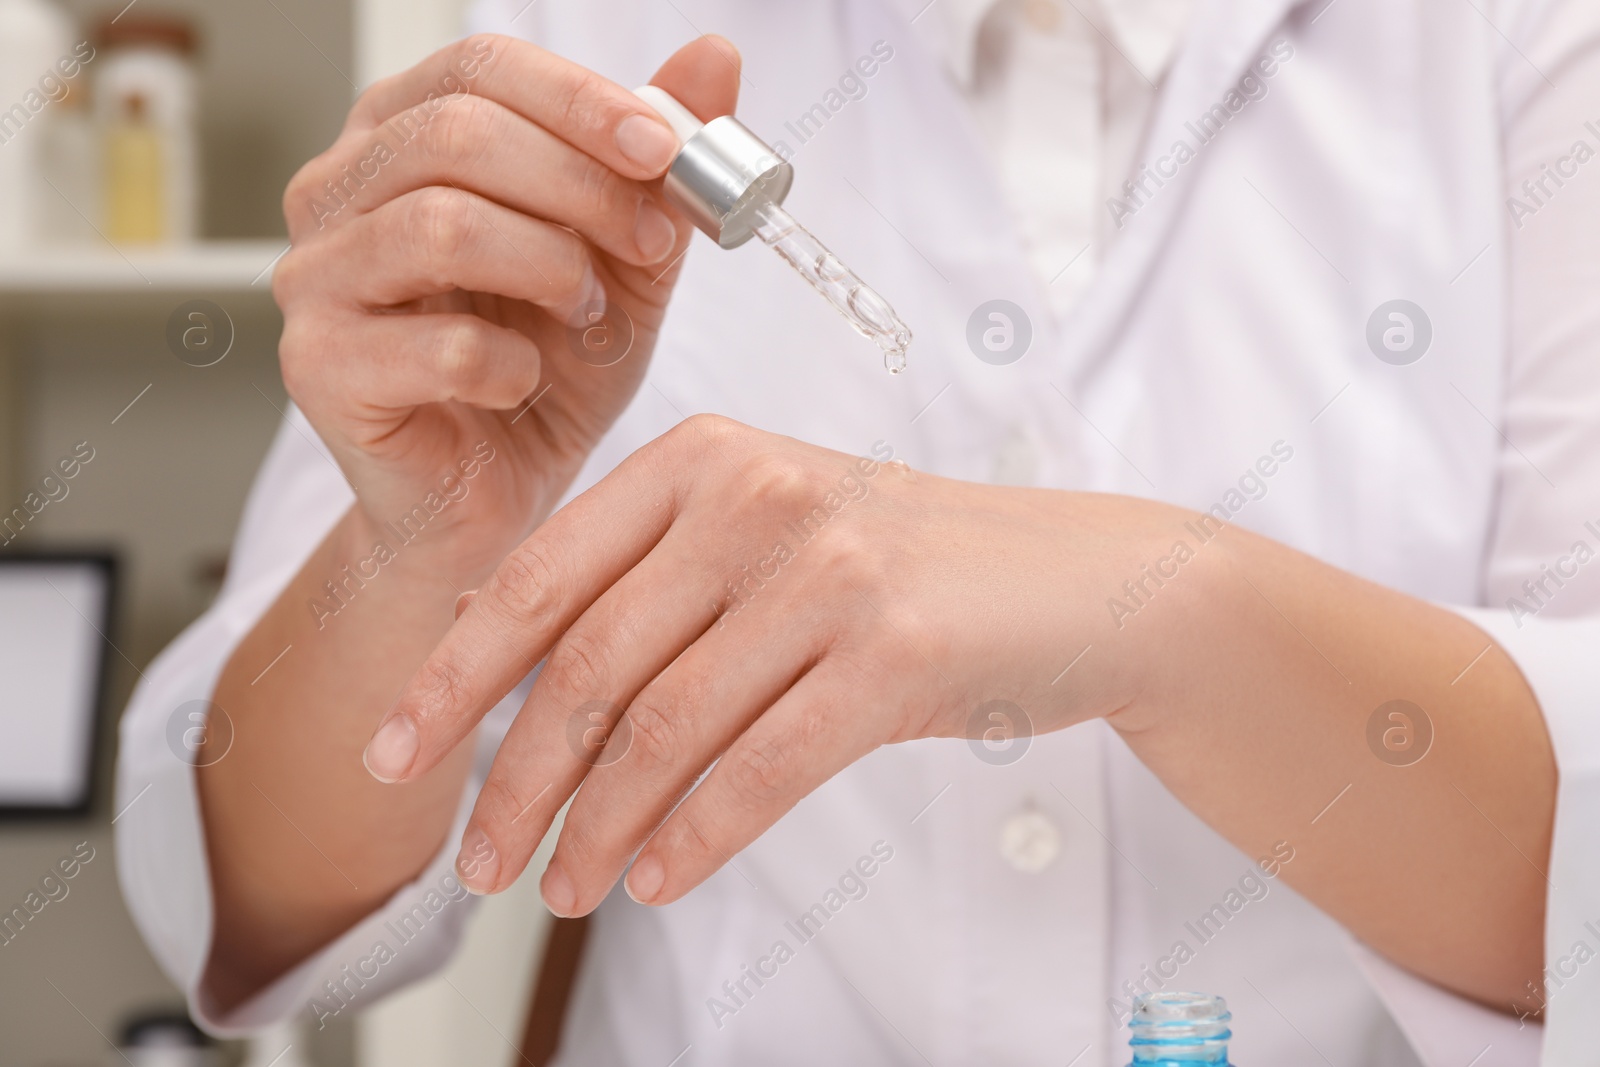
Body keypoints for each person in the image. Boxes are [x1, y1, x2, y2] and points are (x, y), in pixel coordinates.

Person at [114, 0, 1600, 1063]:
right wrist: (422, 543)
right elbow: (246, 903)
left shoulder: (1523, 45)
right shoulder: (581, 43)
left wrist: (1166, 611)